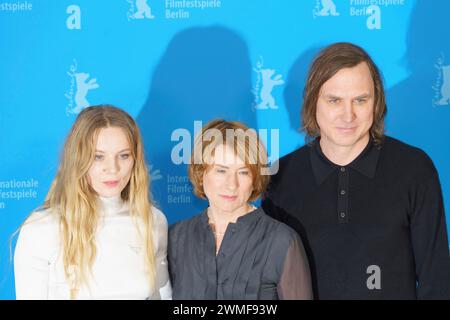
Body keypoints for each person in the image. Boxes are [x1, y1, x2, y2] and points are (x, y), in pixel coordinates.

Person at [262, 42, 450, 299]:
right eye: (334, 100)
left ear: (376, 102)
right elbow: (267, 284)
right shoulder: (279, 177)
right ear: (313, 101)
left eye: (360, 100)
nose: (347, 115)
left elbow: (436, 280)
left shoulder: (415, 169)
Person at [14, 105, 172, 299]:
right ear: (78, 158)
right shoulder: (41, 229)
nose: (112, 168)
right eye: (98, 157)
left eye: (123, 155)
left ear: (135, 159)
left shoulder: (153, 221)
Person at [168, 119, 312, 300]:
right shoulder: (176, 237)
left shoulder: (281, 240)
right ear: (200, 173)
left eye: (243, 172)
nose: (231, 185)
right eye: (221, 170)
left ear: (255, 178)